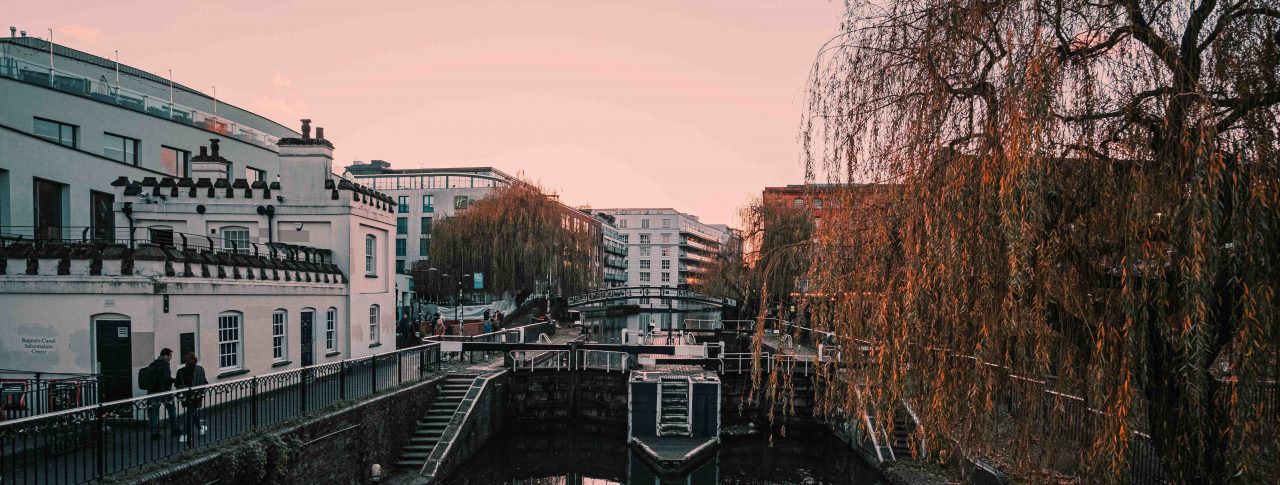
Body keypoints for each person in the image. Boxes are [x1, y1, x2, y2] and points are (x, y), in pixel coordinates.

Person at [144, 348, 179, 439]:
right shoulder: (165, 364)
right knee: (171, 409)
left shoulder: (153, 364)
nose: (171, 358)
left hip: (152, 392)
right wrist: (175, 380)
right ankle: (174, 429)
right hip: (164, 391)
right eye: (170, 356)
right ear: (165, 355)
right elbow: (167, 378)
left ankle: (154, 433)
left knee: (153, 413)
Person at [174, 351, 208, 443]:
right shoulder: (200, 369)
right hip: (197, 395)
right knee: (190, 414)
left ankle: (200, 429)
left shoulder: (180, 371)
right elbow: (204, 382)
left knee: (192, 412)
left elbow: (177, 384)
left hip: (185, 395)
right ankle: (185, 435)